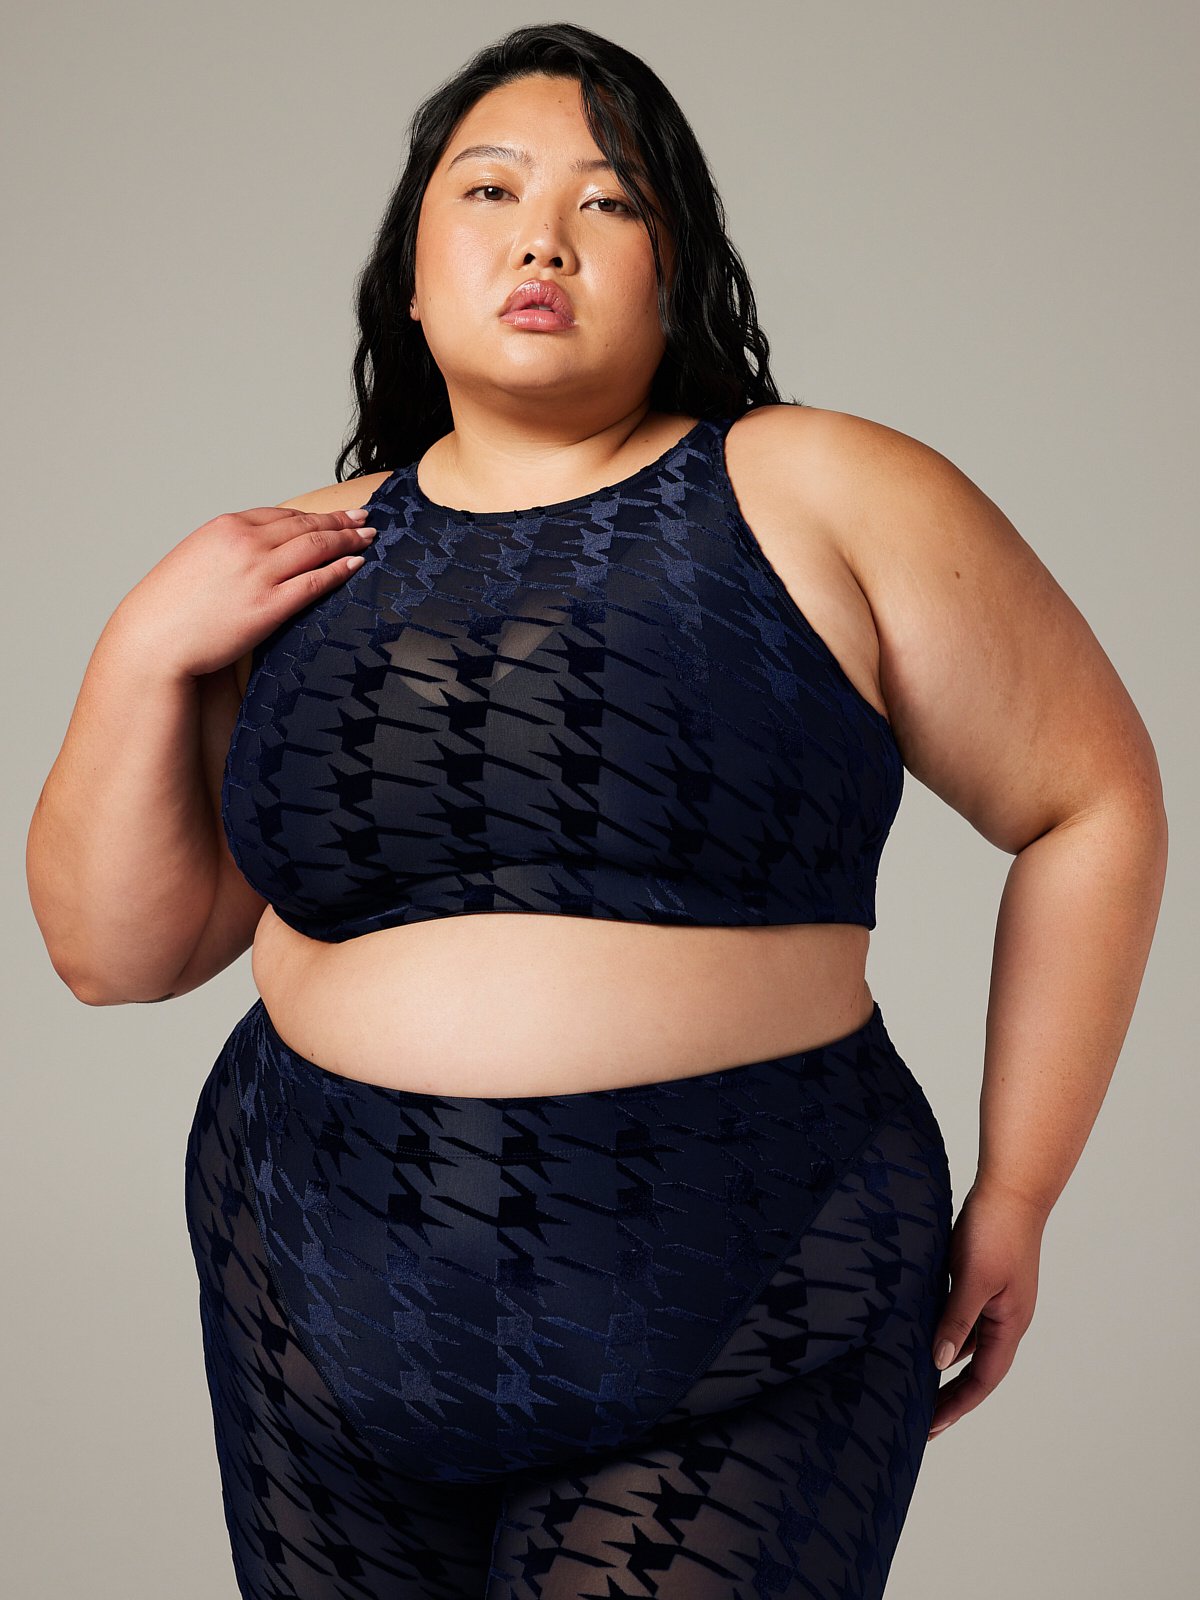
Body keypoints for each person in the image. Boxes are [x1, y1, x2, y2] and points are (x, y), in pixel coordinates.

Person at [26, 21, 1167, 1600]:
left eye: (611, 201)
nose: (544, 237)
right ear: (410, 273)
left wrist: (1022, 1186)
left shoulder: (825, 488)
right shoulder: (278, 561)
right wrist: (139, 648)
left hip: (753, 1284)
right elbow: (118, 956)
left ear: (675, 273)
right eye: (489, 190)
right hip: (311, 1291)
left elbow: (1091, 800)